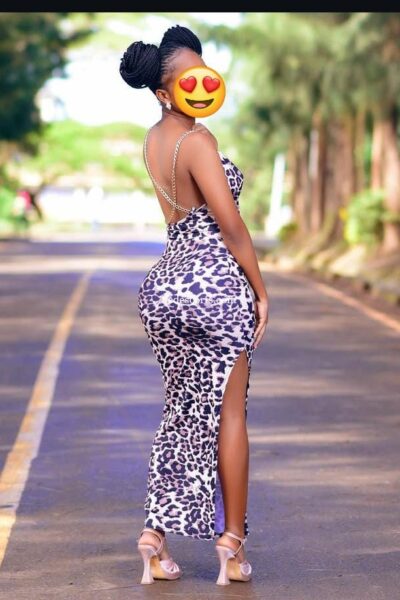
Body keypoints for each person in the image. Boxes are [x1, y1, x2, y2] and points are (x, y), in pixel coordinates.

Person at [119, 24, 269, 586]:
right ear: (164, 92)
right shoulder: (198, 143)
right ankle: (231, 544)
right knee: (229, 414)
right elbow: (230, 227)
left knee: (182, 412)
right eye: (188, 79)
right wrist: (260, 290)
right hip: (214, 287)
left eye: (204, 73)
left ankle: (153, 540)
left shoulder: (154, 140)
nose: (201, 85)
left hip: (165, 286)